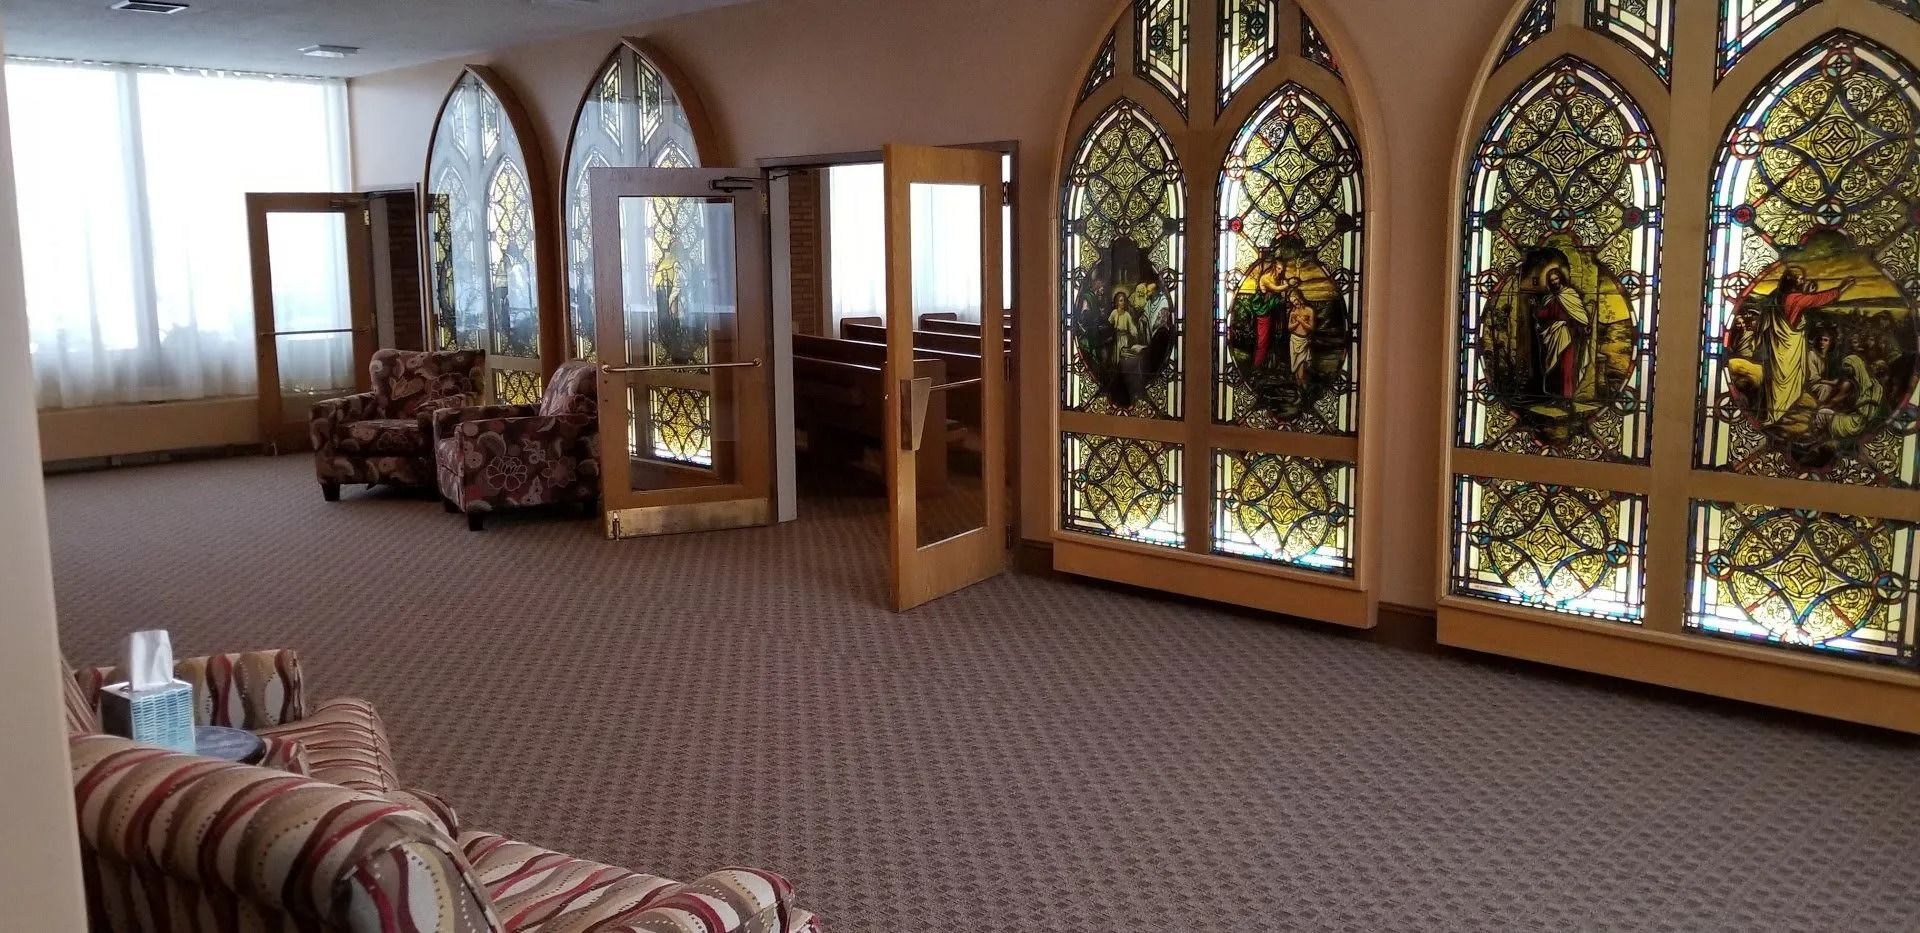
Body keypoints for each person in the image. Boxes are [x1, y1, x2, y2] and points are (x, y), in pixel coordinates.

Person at [1754, 266, 1856, 425]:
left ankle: (1775, 412)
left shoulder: (1776, 296)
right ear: (1793, 282)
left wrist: (1807, 293)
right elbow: (1817, 300)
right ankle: (1779, 414)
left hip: (1776, 345)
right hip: (1788, 346)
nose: (1803, 281)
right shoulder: (1794, 298)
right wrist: (1841, 288)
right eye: (1800, 280)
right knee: (1785, 379)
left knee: (1776, 378)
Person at [1533, 265, 1592, 400]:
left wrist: (1583, 326)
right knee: (1554, 368)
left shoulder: (1570, 294)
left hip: (1568, 336)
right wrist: (1535, 309)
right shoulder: (1548, 298)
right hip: (1552, 336)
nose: (1554, 282)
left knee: (1567, 367)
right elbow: (1543, 315)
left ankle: (1567, 398)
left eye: (1556, 278)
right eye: (1552, 280)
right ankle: (1555, 397)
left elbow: (1580, 316)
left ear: (1561, 278)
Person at [1285, 283, 1316, 385]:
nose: (1294, 303)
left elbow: (1311, 328)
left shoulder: (1309, 311)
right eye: (1292, 302)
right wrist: (1298, 321)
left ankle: (1303, 392)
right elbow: (1289, 328)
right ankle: (1300, 393)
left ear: (1300, 298)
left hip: (1303, 342)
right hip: (1293, 341)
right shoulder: (1293, 311)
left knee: (1302, 369)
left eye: (1295, 300)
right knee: (1295, 370)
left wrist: (1301, 321)